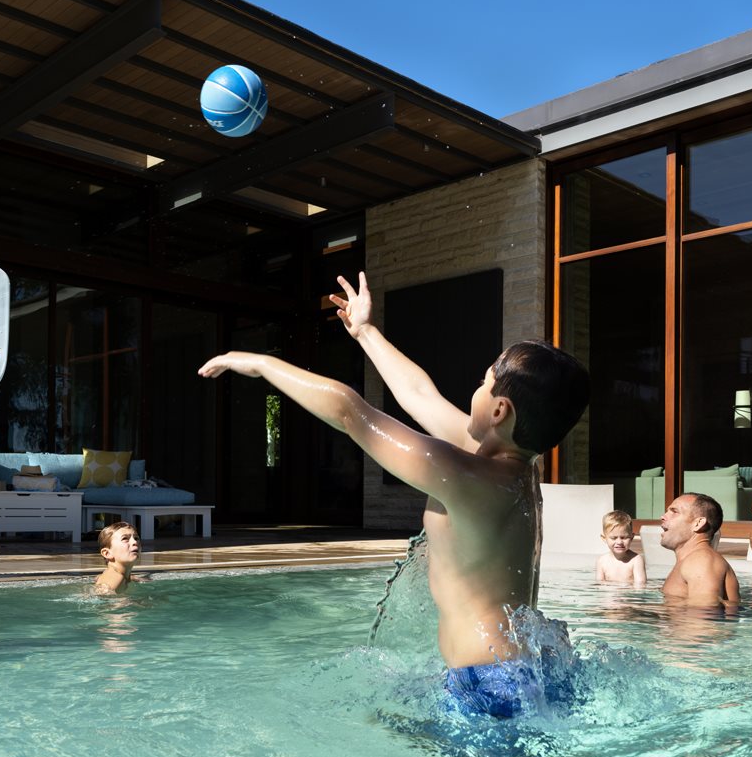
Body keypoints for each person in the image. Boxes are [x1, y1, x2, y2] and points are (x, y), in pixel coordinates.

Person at [199, 272, 590, 719]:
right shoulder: (514, 472)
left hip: (489, 683)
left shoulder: (472, 477)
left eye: (484, 385)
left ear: (500, 410)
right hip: (527, 670)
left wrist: (262, 363)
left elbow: (350, 412)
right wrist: (365, 331)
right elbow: (418, 395)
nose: (475, 393)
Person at [659, 492, 740, 609]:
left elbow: (704, 615)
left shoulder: (701, 560)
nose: (663, 516)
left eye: (674, 511)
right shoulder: (691, 560)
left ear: (697, 524)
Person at [595, 509, 647, 585]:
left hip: (629, 596)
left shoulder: (636, 560)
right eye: (614, 538)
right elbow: (599, 585)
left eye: (624, 537)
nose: (619, 542)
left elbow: (640, 586)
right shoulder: (602, 561)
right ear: (604, 538)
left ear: (631, 537)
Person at [95, 521, 141, 595]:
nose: (134, 542)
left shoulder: (120, 575)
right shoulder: (116, 578)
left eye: (136, 538)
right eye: (125, 538)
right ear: (107, 553)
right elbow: (102, 598)